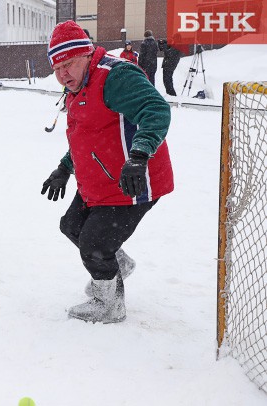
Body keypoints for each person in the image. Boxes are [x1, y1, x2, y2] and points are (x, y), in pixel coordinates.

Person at [42, 21, 174, 323]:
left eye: (69, 64)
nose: (63, 74)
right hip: (100, 179)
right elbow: (87, 135)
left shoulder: (116, 76)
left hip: (133, 181)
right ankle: (117, 265)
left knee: (95, 245)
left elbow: (155, 109)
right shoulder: (78, 85)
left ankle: (109, 305)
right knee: (71, 226)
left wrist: (140, 155)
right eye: (57, 68)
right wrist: (64, 168)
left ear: (86, 54)